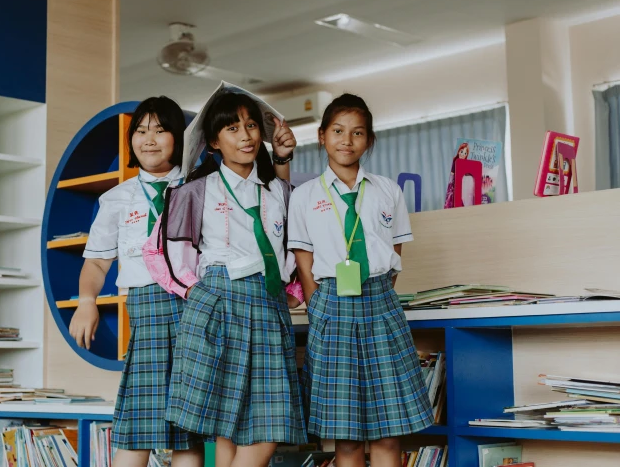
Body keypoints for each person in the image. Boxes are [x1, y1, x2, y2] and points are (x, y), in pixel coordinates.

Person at [143, 90, 307, 467]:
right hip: (217, 299)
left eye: (251, 126)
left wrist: (294, 292)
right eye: (232, 128)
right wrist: (197, 292)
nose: (246, 135)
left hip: (268, 306)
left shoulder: (279, 192)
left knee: (267, 427)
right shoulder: (193, 190)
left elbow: (296, 248)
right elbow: (162, 252)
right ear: (214, 141)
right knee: (227, 428)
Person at [288, 93, 433, 467]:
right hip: (331, 305)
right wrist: (318, 303)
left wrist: (380, 294)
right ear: (321, 136)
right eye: (337, 131)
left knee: (389, 430)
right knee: (346, 434)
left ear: (368, 140)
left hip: (381, 304)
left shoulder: (388, 190)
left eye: (357, 133)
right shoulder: (304, 196)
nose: (346, 140)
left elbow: (396, 254)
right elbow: (304, 261)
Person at [69, 96, 203, 467]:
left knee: (186, 429)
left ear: (178, 138)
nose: (149, 139)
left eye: (160, 131)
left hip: (195, 309)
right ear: (130, 141)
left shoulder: (201, 190)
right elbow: (97, 262)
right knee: (137, 424)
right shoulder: (116, 199)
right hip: (146, 310)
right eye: (141, 131)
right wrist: (86, 302)